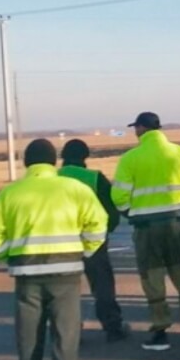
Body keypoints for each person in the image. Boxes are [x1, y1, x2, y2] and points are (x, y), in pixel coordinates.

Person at [0, 139, 107, 360]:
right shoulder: (75, 189)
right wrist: (83, 250)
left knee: (29, 345)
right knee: (66, 345)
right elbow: (98, 226)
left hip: (27, 278)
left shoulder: (9, 194)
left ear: (26, 163)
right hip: (67, 275)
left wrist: (12, 255)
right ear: (54, 162)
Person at [111, 112, 180, 351]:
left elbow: (119, 195)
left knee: (152, 278)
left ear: (142, 129)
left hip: (146, 228)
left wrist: (130, 213)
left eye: (136, 127)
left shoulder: (130, 158)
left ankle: (160, 330)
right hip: (176, 224)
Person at [58, 139, 129, 342]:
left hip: (60, 242)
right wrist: (105, 232)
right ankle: (112, 326)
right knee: (102, 285)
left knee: (65, 289)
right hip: (93, 240)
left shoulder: (53, 178)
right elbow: (112, 211)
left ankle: (69, 331)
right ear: (85, 156)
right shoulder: (95, 178)